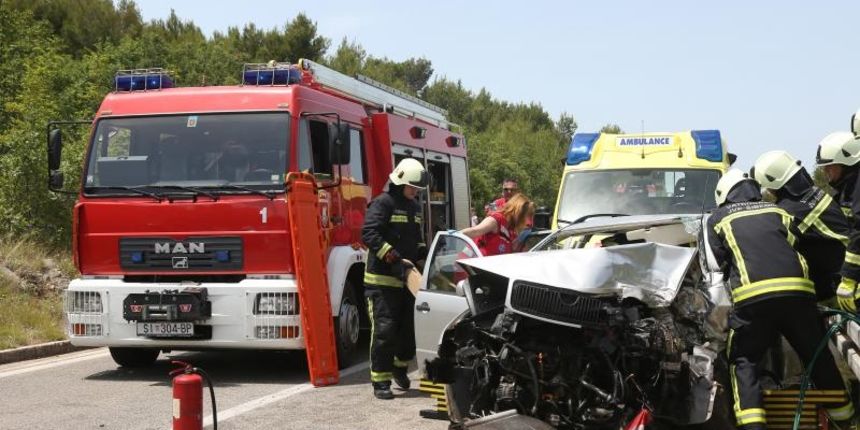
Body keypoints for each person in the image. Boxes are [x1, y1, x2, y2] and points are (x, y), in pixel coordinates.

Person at [707, 169, 854, 429]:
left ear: (723, 195)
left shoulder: (718, 218)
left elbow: (717, 263)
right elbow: (794, 246)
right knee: (817, 356)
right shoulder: (780, 211)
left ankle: (753, 426)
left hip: (752, 299)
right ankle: (846, 419)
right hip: (799, 295)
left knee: (744, 361)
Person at [361, 158, 428, 400]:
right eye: (413, 188)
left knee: (409, 332)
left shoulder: (413, 207)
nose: (416, 192)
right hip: (382, 281)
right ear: (400, 182)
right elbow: (368, 233)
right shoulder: (383, 203)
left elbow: (416, 237)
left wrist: (423, 254)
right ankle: (381, 381)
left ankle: (400, 368)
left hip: (407, 281)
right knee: (385, 331)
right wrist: (391, 255)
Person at [752, 150, 849, 305]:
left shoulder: (791, 210)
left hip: (838, 284)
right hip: (845, 269)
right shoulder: (814, 192)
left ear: (773, 183)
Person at [816, 131, 860, 311]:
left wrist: (849, 277)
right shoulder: (846, 188)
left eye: (830, 166)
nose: (826, 172)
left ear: (846, 163)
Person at [461, 193, 535, 256]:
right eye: (525, 215)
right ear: (518, 211)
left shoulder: (511, 230)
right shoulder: (497, 219)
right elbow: (474, 231)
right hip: (469, 265)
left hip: (487, 267)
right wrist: (452, 236)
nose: (525, 220)